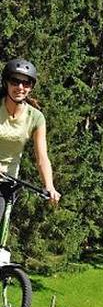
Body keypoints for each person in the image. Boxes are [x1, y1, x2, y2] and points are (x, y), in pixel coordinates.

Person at [0, 58, 61, 208]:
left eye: (26, 83)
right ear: (6, 83)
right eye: (15, 81)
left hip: (6, 182)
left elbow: (42, 158)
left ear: (31, 87)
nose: (20, 87)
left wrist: (49, 185)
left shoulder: (36, 118)